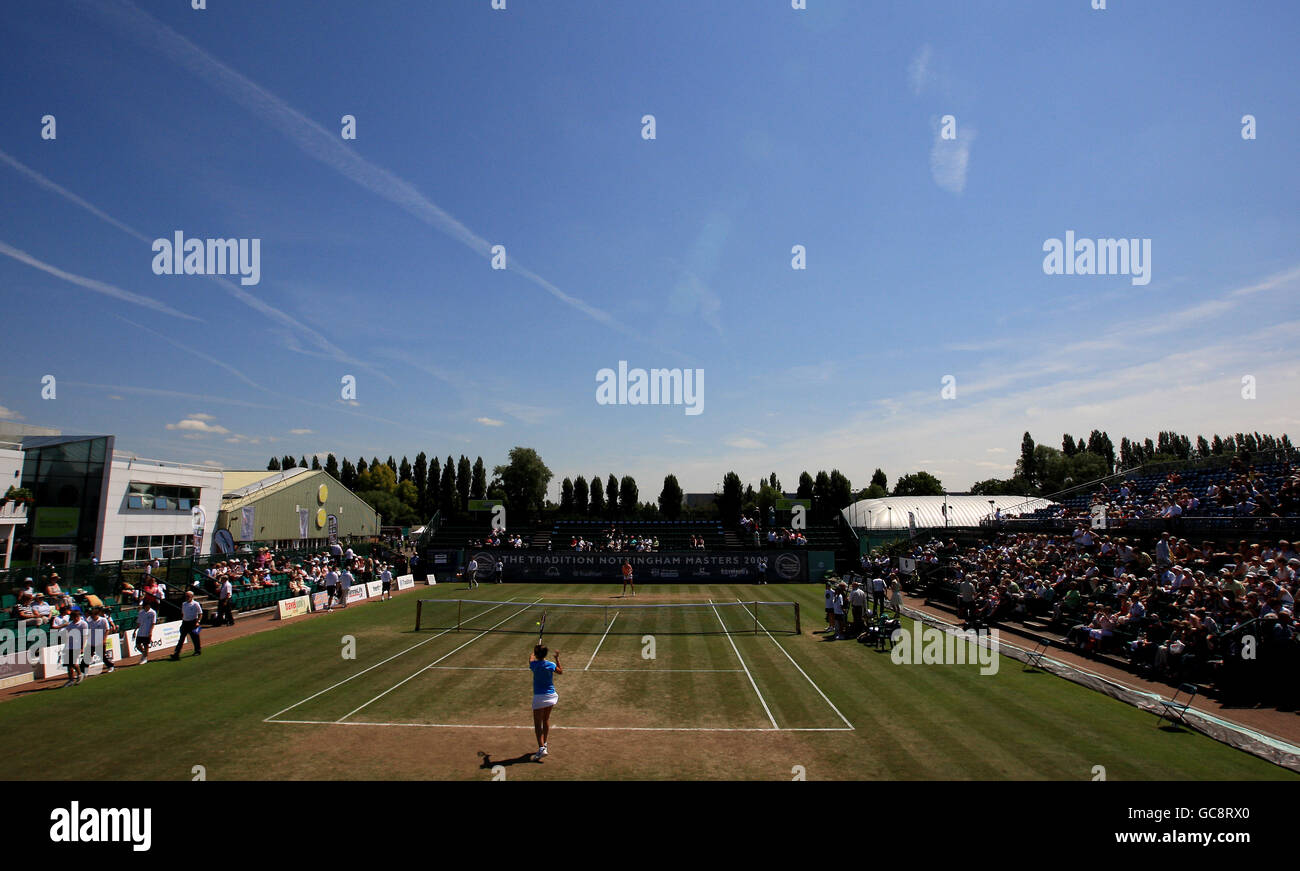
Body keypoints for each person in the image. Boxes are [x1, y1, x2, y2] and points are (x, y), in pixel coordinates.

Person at [529, 644, 563, 761]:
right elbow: (560, 671)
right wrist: (557, 658)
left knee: (538, 724)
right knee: (546, 720)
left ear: (537, 654)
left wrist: (534, 651)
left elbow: (531, 658)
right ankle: (545, 744)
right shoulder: (551, 665)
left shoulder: (533, 665)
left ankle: (541, 748)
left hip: (539, 698)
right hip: (551, 696)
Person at [170, 591, 203, 660]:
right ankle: (176, 653)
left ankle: (197, 650)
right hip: (185, 623)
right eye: (186, 596)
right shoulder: (184, 604)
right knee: (181, 639)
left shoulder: (195, 604)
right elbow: (183, 613)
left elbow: (200, 613)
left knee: (195, 637)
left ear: (192, 597)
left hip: (193, 622)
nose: (187, 597)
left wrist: (198, 622)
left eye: (188, 596)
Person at [85, 606, 117, 674]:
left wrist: (104, 640)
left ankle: (111, 666)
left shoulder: (103, 620)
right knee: (88, 656)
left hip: (100, 641)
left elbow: (107, 630)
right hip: (92, 642)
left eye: (93, 615)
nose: (92, 616)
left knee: (102, 656)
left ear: (97, 614)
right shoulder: (89, 622)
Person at [62, 607, 87, 686]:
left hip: (77, 646)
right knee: (68, 664)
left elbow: (85, 636)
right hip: (69, 646)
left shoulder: (83, 624)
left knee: (72, 662)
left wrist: (82, 647)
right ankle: (71, 680)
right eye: (75, 617)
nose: (76, 618)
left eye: (77, 616)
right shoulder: (70, 625)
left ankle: (80, 674)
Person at [134, 600, 157, 664]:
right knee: (138, 645)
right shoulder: (141, 612)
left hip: (147, 631)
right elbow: (138, 623)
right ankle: (144, 654)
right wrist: (135, 631)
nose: (147, 607)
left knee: (146, 645)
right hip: (140, 631)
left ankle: (145, 658)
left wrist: (150, 632)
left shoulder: (153, 612)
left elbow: (153, 623)